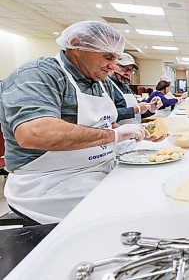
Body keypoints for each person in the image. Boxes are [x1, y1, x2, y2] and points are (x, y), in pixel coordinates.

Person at [0, 20, 154, 224]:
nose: (113, 66)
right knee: (136, 210)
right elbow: (34, 133)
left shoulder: (100, 81)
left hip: (99, 168)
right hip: (49, 184)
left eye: (116, 58)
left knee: (153, 186)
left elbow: (105, 124)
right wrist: (113, 136)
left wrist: (131, 133)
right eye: (108, 56)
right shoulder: (38, 74)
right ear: (77, 45)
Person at [110, 53, 161, 124]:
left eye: (131, 70)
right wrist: (136, 109)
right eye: (124, 68)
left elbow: (136, 116)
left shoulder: (126, 88)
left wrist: (151, 109)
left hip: (134, 132)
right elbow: (108, 115)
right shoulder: (108, 86)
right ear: (113, 66)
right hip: (118, 132)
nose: (128, 73)